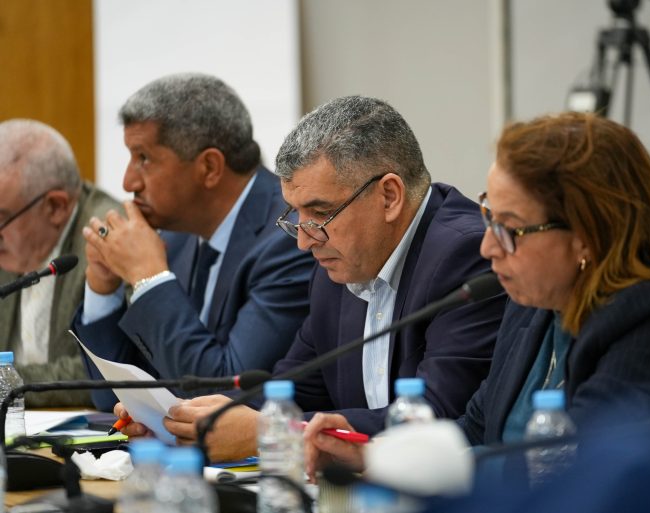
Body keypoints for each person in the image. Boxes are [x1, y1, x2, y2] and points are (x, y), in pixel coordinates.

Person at [301, 111, 650, 480]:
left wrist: (412, 468)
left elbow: (587, 476)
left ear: (586, 235)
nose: (487, 247)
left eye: (510, 228)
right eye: (488, 218)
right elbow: (477, 428)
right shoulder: (534, 304)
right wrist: (374, 454)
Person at [115, 95, 506, 462]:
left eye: (320, 214)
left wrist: (272, 432)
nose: (304, 241)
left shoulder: (465, 255)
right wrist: (178, 420)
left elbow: (440, 418)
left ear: (389, 196)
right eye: (296, 215)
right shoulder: (336, 268)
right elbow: (294, 391)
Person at [72, 73, 314, 410]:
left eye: (143, 158)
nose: (128, 182)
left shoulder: (289, 237)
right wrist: (103, 288)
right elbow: (113, 395)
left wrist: (149, 278)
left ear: (209, 167)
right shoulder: (177, 236)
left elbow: (226, 394)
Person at [0, 119, 121, 407]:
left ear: (55, 207)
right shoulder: (13, 238)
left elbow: (106, 370)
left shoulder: (108, 240)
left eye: (1, 219)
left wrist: (8, 383)